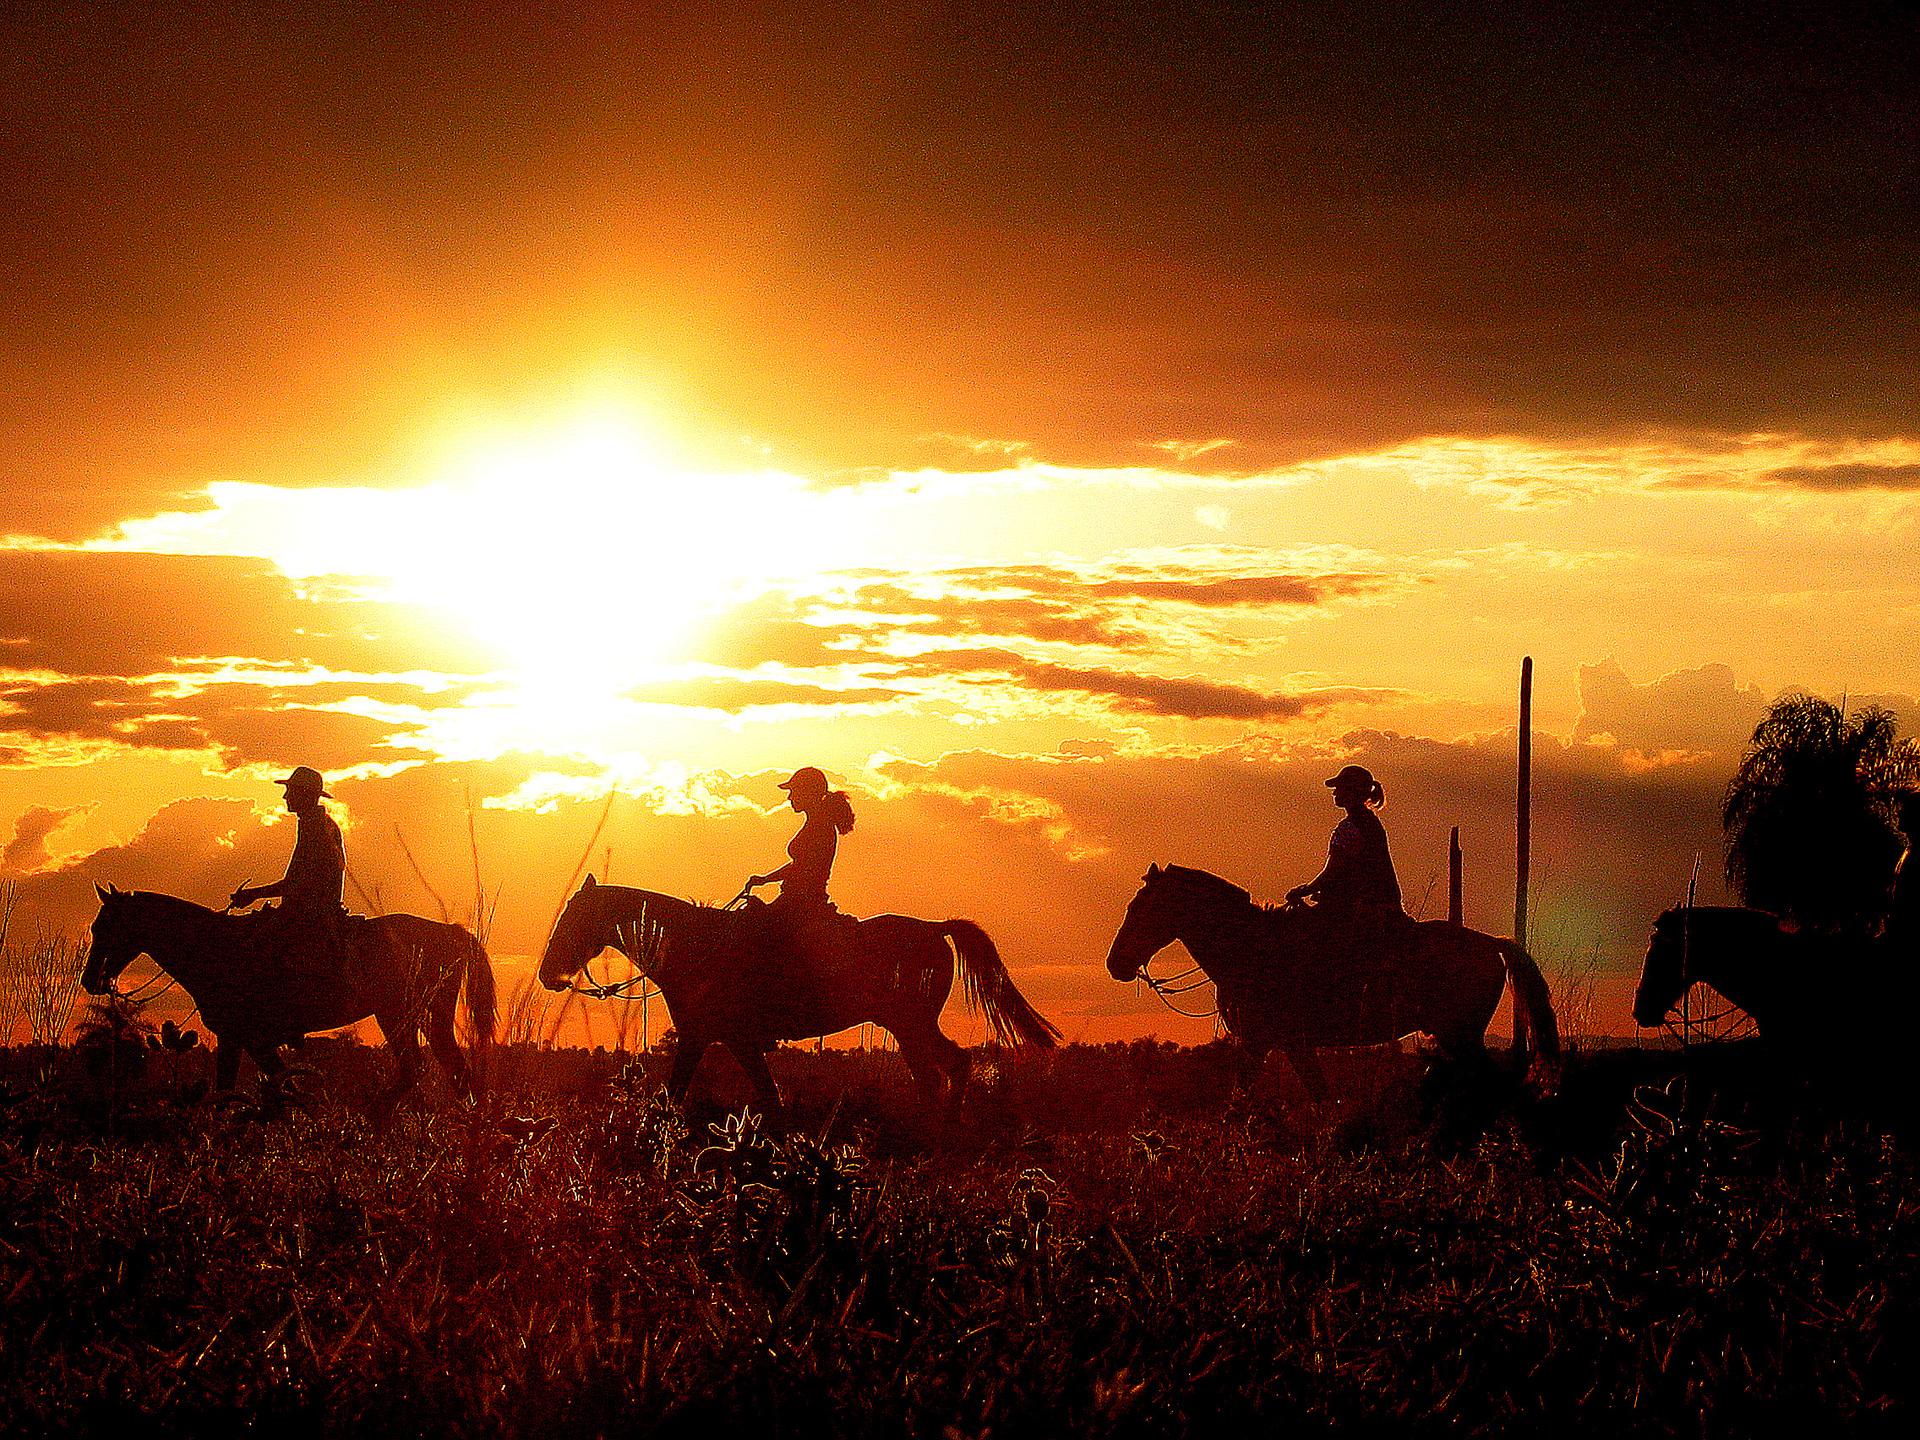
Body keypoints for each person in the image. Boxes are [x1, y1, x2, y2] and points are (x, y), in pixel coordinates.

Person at [1284, 764, 1407, 1036]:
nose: (1335, 792)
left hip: (1363, 907)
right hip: (1376, 903)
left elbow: (1332, 872)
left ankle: (1324, 1009)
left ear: (1351, 792)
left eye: (1339, 788)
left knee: (1309, 943)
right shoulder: (1369, 822)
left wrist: (1302, 890)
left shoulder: (1351, 827)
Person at [226, 766, 349, 983]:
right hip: (312, 909)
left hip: (311, 913)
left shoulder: (316, 828)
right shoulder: (318, 824)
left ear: (305, 794)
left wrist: (254, 894)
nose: (285, 796)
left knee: (255, 950)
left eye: (290, 791)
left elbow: (299, 883)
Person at [744, 766, 856, 915]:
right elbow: (798, 864)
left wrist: (765, 879)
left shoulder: (819, 827)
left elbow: (801, 869)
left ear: (808, 793)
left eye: (793, 791)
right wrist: (764, 879)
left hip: (802, 902)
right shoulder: (816, 823)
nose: (789, 797)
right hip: (795, 899)